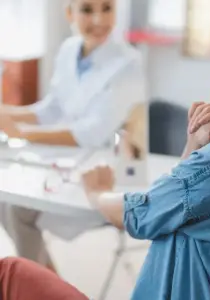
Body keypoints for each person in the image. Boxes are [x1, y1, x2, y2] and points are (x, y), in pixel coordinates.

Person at [2, 13, 210, 300]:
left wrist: (96, 192)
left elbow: (142, 213)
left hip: (114, 178)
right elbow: (184, 200)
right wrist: (196, 149)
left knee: (9, 272)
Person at [0, 0, 146, 271]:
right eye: (87, 10)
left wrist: (19, 131)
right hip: (67, 161)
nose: (99, 20)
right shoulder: (68, 50)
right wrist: (7, 113)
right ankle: (46, 287)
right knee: (7, 201)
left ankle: (40, 288)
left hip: (106, 174)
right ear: (70, 13)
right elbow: (52, 107)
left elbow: (91, 133)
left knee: (16, 209)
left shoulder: (129, 64)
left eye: (107, 8)